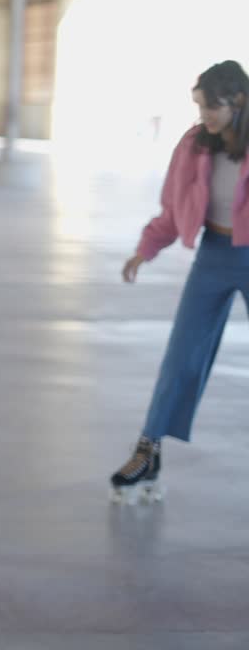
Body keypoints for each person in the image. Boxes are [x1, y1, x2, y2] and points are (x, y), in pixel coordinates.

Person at [113, 60, 249, 504]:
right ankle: (148, 452)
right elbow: (173, 209)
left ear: (239, 101)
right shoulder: (194, 145)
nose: (205, 115)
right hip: (213, 254)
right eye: (200, 105)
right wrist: (145, 249)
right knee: (181, 356)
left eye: (212, 106)